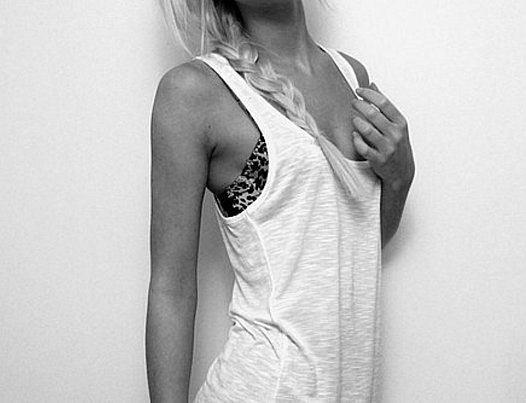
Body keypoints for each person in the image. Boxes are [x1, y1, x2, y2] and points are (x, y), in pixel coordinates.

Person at [145, 0, 415, 401]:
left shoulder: (351, 77)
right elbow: (172, 288)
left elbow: (351, 250)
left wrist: (400, 177)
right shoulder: (195, 91)